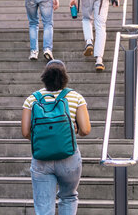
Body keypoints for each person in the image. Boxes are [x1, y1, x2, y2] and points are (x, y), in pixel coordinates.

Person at [21, 60, 91, 215]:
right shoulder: (75, 97)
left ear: (44, 76)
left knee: (44, 206)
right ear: (65, 76)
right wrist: (73, 130)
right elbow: (85, 130)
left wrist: (45, 137)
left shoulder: (32, 99)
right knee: (68, 197)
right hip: (69, 157)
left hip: (41, 159)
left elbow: (25, 132)